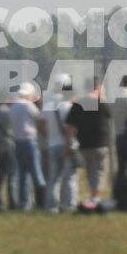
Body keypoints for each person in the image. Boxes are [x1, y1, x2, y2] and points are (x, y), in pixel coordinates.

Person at [67, 82, 112, 209]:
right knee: (100, 171)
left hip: (84, 143)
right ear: (97, 88)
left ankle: (93, 196)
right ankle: (95, 197)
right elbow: (110, 116)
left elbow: (70, 126)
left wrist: (68, 143)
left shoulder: (77, 104)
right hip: (101, 143)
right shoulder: (102, 103)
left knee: (90, 170)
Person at [8, 84, 47, 212]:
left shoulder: (13, 107)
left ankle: (24, 204)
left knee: (22, 175)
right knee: (36, 173)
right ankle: (41, 202)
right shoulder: (28, 106)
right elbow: (39, 120)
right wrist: (45, 134)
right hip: (30, 142)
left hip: (17, 143)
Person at [43, 77, 78, 213]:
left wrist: (49, 136)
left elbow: (40, 123)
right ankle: (69, 205)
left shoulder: (49, 106)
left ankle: (51, 207)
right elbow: (73, 128)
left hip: (52, 144)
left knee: (53, 178)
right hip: (67, 145)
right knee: (70, 177)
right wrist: (69, 144)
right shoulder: (70, 107)